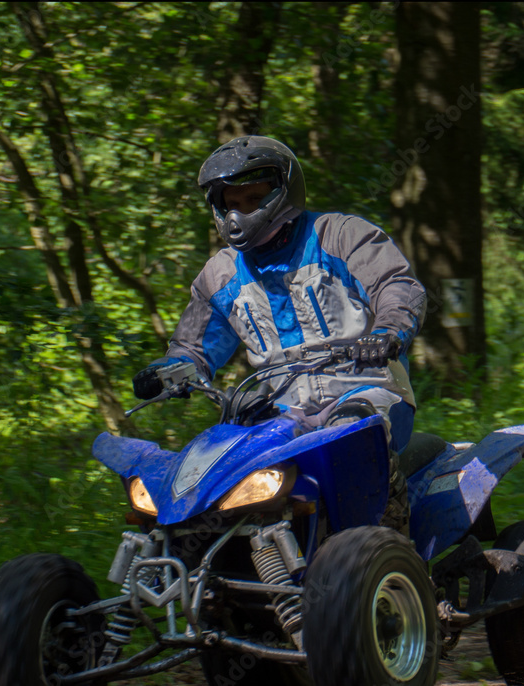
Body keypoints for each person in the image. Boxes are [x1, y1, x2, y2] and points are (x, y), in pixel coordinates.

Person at [132, 135, 426, 532]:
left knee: (350, 437)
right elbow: (193, 347)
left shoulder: (340, 235)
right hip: (280, 411)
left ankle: (393, 552)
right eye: (231, 204)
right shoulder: (218, 275)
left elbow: (396, 285)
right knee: (220, 461)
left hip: (367, 390)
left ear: (284, 192)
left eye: (253, 200)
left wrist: (389, 330)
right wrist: (169, 372)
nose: (240, 214)